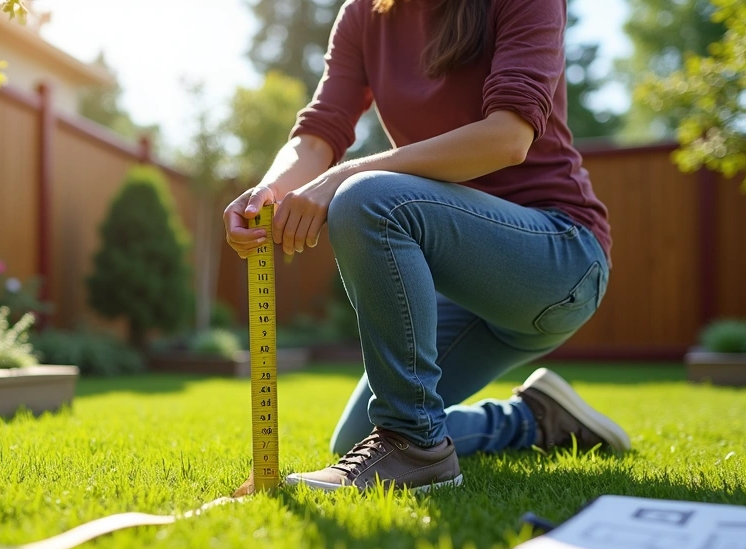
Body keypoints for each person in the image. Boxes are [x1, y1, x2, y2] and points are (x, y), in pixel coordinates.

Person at [222, 0, 631, 492]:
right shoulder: (364, 15)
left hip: (559, 261)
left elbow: (508, 138)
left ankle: (418, 448)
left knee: (367, 198)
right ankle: (535, 419)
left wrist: (346, 175)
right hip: (467, 283)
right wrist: (268, 192)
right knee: (356, 437)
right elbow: (318, 132)